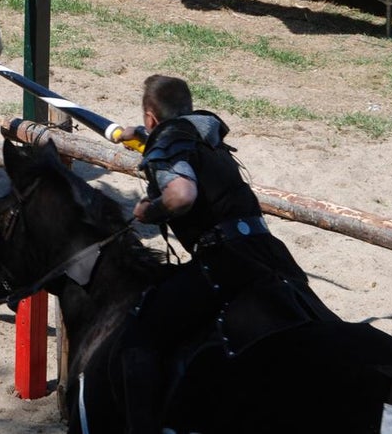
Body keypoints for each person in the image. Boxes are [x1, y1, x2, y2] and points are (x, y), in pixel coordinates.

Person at [114, 75, 335, 434]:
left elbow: (181, 195)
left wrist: (149, 211)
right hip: (268, 252)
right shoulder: (206, 136)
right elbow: (173, 145)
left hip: (224, 261)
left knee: (141, 335)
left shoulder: (168, 141)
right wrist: (141, 136)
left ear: (152, 117)